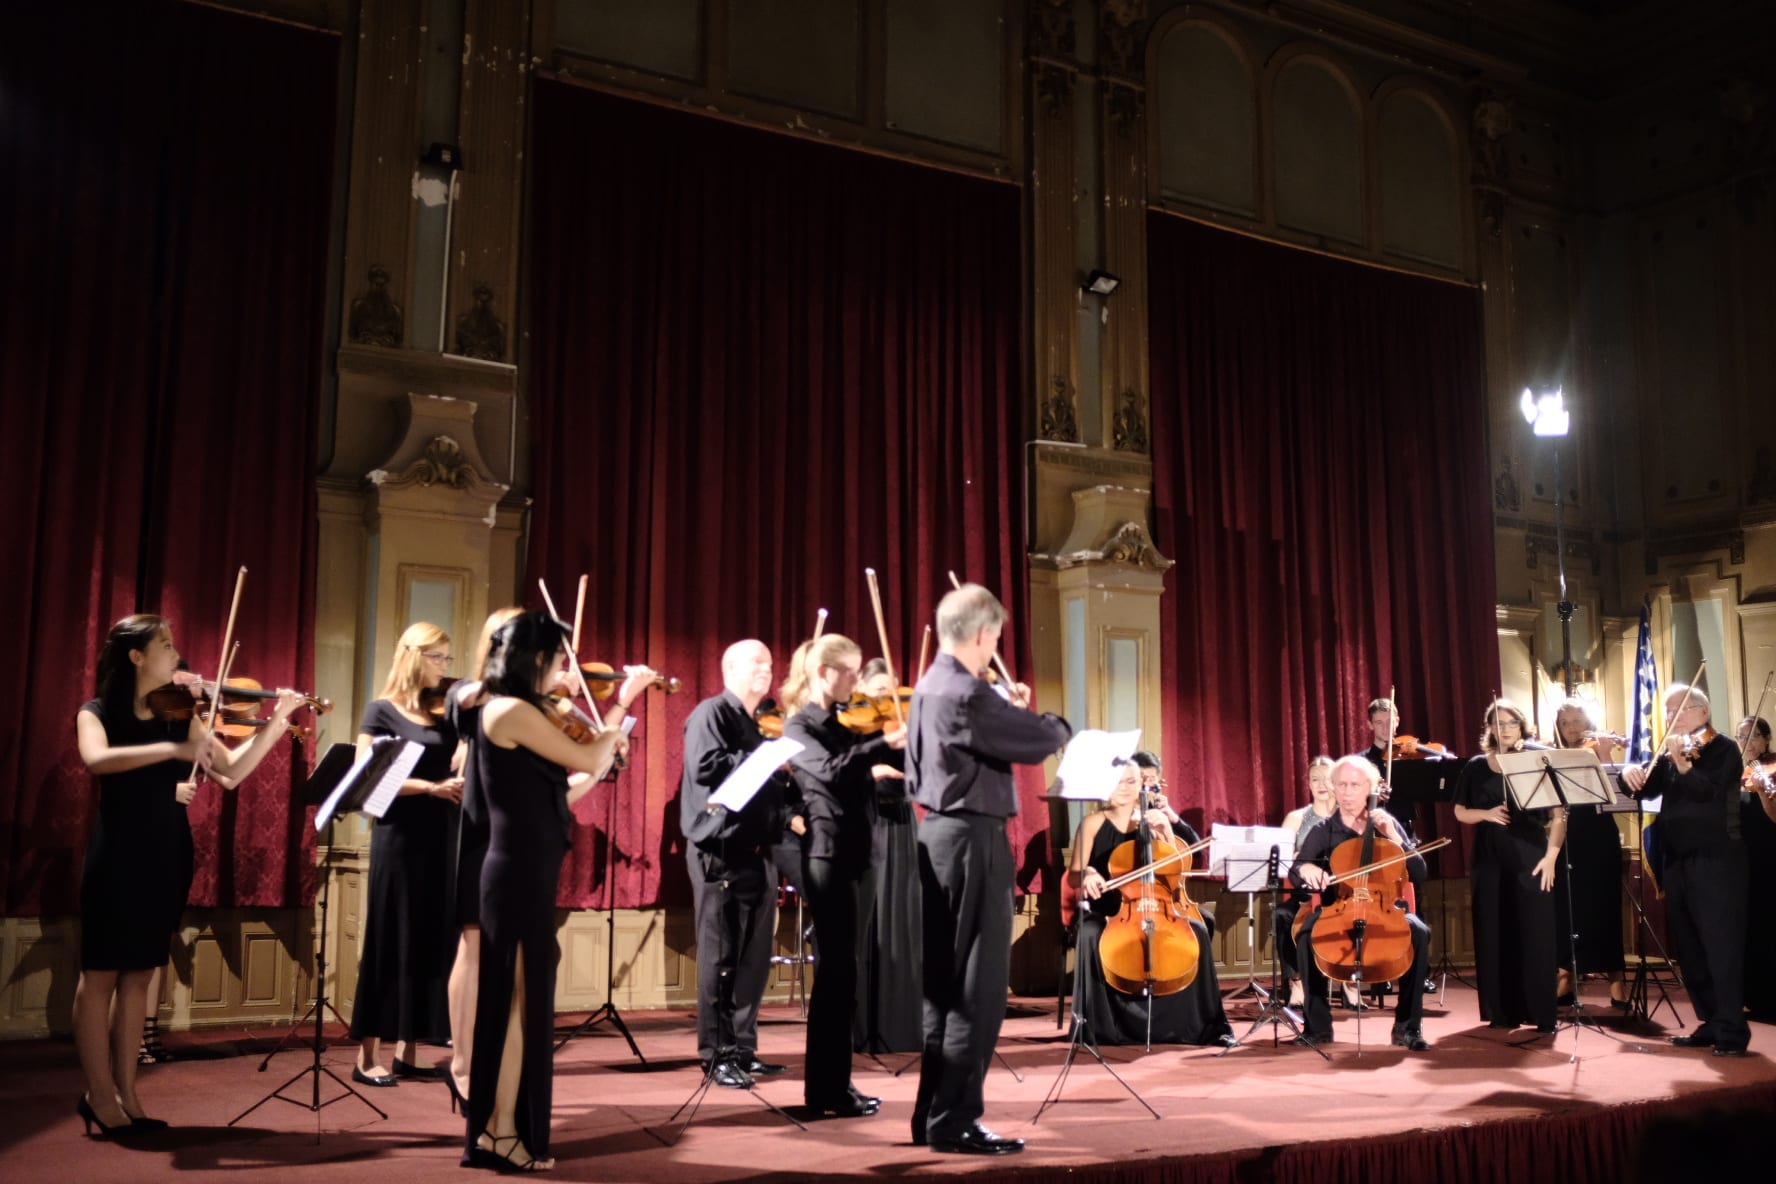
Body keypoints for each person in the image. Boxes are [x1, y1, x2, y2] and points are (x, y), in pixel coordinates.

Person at [74, 614, 301, 1135]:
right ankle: (99, 1093)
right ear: (136, 657)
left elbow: (232, 772)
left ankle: (128, 1094)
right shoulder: (98, 710)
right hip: (118, 853)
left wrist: (277, 721)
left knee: (139, 977)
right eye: (166, 645)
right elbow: (97, 760)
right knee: (100, 977)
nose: (178, 655)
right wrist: (172, 751)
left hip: (166, 851)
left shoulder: (182, 715)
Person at [464, 612, 641, 1171]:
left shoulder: (527, 712)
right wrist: (614, 728)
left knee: (523, 1005)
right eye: (560, 659)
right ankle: (499, 1132)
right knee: (514, 1008)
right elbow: (588, 754)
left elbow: (561, 793)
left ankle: (507, 1128)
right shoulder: (509, 710)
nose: (566, 670)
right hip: (513, 876)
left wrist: (607, 743)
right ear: (536, 660)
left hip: (528, 873)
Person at [909, 584, 1070, 1156]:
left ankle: (932, 1113)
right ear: (982, 635)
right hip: (974, 840)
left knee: (944, 987)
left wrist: (1001, 701)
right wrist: (1046, 719)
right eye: (996, 637)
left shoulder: (931, 685)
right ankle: (955, 1120)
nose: (994, 644)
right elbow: (1038, 739)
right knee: (977, 989)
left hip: (935, 837)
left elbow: (982, 728)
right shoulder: (969, 694)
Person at [781, 634, 905, 1116]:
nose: (858, 681)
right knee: (835, 974)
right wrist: (878, 742)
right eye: (850, 671)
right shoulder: (799, 725)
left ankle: (838, 1086)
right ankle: (823, 1090)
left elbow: (886, 764)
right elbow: (830, 772)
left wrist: (902, 739)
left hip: (864, 853)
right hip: (828, 856)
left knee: (848, 975)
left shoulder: (849, 720)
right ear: (823, 672)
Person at [349, 622, 463, 1088]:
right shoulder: (381, 711)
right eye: (440, 658)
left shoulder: (444, 714)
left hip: (442, 834)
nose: (445, 669)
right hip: (398, 836)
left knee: (430, 940)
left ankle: (409, 1050)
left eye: (448, 660)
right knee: (388, 938)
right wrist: (431, 787)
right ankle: (365, 1055)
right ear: (415, 656)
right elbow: (365, 776)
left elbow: (460, 760)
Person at [680, 640, 795, 1089]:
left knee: (752, 960)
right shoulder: (711, 713)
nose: (766, 669)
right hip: (719, 851)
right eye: (756, 662)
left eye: (770, 663)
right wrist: (764, 758)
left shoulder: (763, 722)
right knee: (720, 958)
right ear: (729, 668)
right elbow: (706, 766)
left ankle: (743, 1049)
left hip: (759, 852)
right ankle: (716, 1054)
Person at [1069, 760, 1234, 1047]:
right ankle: (1098, 1027)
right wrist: (1088, 873)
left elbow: (1178, 869)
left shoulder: (1153, 821)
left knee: (1197, 930)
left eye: (1131, 782)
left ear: (1141, 786)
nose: (1124, 788)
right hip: (1109, 909)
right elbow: (1073, 874)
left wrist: (1167, 832)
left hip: (1156, 906)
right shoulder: (1093, 823)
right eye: (1118, 781)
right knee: (1088, 934)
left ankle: (1207, 1025)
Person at [1621, 685, 1748, 1056]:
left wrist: (1682, 765)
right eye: (1668, 711)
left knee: (1720, 945)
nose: (1671, 717)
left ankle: (1732, 1032)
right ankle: (1709, 1020)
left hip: (1717, 860)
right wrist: (1628, 772)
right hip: (1676, 861)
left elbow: (1707, 792)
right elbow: (1643, 790)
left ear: (1702, 713)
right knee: (1690, 947)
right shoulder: (1669, 751)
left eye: (1679, 710)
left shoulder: (1724, 749)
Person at [1289, 755, 1432, 1050]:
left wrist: (1394, 837)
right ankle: (1317, 1027)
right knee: (1306, 933)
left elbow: (1419, 872)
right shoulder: (1324, 830)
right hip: (1338, 910)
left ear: (1369, 787)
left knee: (1418, 932)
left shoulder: (1385, 825)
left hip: (1384, 909)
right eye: (1341, 784)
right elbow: (1297, 869)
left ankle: (1408, 1026)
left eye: (1354, 785)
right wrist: (1308, 869)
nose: (1346, 791)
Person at [1452, 700, 1565, 1034]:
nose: (1504, 729)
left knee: (1536, 931)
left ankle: (1542, 1012)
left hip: (1532, 853)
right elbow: (1460, 811)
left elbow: (1559, 815)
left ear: (1522, 727)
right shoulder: (1475, 766)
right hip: (1489, 855)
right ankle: (1502, 1012)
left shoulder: (1538, 761)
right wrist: (1486, 814)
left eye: (1511, 723)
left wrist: (1551, 857)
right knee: (1495, 929)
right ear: (1489, 729)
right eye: (1497, 724)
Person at [853, 657, 922, 1054]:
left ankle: (900, 1027)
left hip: (901, 825)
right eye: (878, 691)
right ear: (861, 690)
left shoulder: (906, 727)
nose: (886, 699)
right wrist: (871, 772)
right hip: (864, 824)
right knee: (866, 922)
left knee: (902, 920)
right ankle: (860, 1028)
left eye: (892, 691)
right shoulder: (853, 728)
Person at [1549, 698, 1628, 1009]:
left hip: (1598, 834)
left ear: (1587, 722)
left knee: (1604, 907)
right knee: (1566, 910)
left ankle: (1617, 982)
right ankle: (1566, 977)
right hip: (1566, 836)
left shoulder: (1596, 747)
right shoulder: (1551, 754)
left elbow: (1615, 798)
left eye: (1577, 721)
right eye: (1565, 722)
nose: (1572, 728)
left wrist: (1606, 752)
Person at [1277, 756, 1336, 1006]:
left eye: (1327, 778)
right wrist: (1297, 860)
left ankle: (1347, 981)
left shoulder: (1348, 816)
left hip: (1339, 894)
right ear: (1308, 784)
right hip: (1305, 895)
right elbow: (1280, 860)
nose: (1321, 784)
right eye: (1315, 779)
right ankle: (1296, 982)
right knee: (1281, 916)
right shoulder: (1296, 818)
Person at [1736, 715, 1776, 1022]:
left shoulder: (1771, 770)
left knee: (1767, 925)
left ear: (1766, 740)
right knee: (1746, 926)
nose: (1747, 743)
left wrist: (1763, 790)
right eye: (1741, 736)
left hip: (1769, 857)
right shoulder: (1733, 772)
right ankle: (1749, 994)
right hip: (1740, 859)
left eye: (1753, 736)